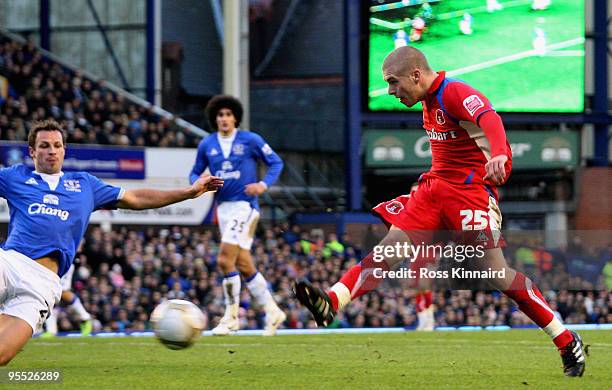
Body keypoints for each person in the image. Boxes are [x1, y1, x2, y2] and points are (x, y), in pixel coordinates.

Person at [295, 46, 588, 377]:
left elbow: (489, 117)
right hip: (434, 190)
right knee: (389, 250)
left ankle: (565, 339)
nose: (391, 92)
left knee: (496, 274)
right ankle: (333, 301)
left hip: (470, 193)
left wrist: (501, 154)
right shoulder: (427, 99)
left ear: (416, 75)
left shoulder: (454, 92)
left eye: (393, 83)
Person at [0, 119, 223, 365]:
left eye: (57, 145)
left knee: (3, 354)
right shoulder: (15, 177)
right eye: (44, 146)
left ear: (64, 150)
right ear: (32, 151)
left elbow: (136, 198)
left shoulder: (85, 185)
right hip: (11, 264)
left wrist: (188, 192)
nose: (51, 151)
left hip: (44, 285)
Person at [189, 95, 286, 336]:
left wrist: (262, 185)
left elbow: (276, 162)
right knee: (242, 263)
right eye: (220, 115)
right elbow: (194, 173)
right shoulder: (207, 144)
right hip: (223, 208)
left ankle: (231, 317)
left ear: (235, 118)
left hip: (245, 206)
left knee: (224, 260)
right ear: (215, 118)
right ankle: (273, 311)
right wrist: (198, 184)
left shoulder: (250, 140)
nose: (224, 119)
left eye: (228, 115)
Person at [40, 262, 93, 337]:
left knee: (63, 291)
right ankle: (51, 330)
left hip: (65, 259)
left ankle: (85, 317)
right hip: (51, 260)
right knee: (49, 293)